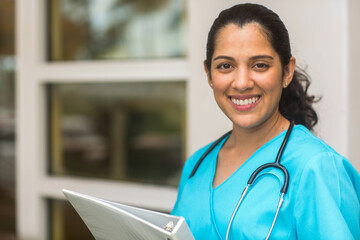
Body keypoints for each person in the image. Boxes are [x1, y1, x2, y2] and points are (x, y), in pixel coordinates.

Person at [171, 3, 360, 240]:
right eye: (225, 66)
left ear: (287, 71)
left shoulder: (316, 167)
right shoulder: (196, 165)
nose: (241, 82)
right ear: (209, 74)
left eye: (259, 65)